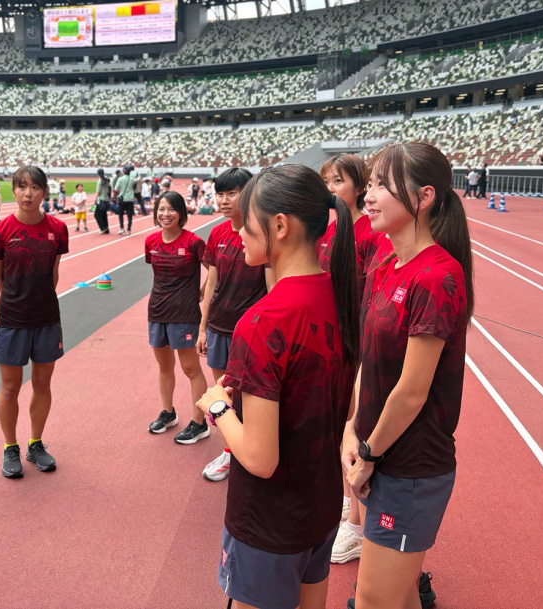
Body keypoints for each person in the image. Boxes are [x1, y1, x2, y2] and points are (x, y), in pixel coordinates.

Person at [195, 164, 359, 609]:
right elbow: (341, 408)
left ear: (280, 226)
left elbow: (261, 459)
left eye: (247, 225)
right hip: (320, 506)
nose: (240, 234)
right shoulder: (339, 294)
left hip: (270, 521)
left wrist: (217, 408)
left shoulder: (264, 320)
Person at [345, 142, 472, 609]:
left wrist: (368, 451)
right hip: (381, 454)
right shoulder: (384, 267)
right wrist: (351, 427)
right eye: (371, 183)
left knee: (373, 600)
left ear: (423, 197)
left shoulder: (438, 277)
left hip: (410, 466)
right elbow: (370, 361)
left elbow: (413, 391)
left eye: (380, 184)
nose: (369, 195)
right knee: (393, 599)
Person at [318, 153, 384, 565]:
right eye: (326, 182)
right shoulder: (329, 229)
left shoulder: (371, 233)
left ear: (360, 187)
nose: (330, 189)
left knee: (354, 427)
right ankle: (349, 504)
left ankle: (357, 527)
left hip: (358, 343)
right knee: (340, 425)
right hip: (335, 340)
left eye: (338, 181)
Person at [0, 165, 69, 478]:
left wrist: (39, 299)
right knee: (10, 387)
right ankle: (10, 447)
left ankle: (35, 443)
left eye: (35, 188)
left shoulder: (58, 229)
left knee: (42, 384)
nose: (28, 194)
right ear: (13, 191)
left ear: (45, 192)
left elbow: (54, 273)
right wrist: (18, 300)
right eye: (22, 187)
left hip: (47, 317)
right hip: (12, 319)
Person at [196, 168, 272, 482]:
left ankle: (254, 454)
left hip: (250, 332)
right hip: (218, 326)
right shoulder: (216, 234)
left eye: (232, 193)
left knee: (251, 398)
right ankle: (230, 453)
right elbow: (211, 281)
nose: (225, 201)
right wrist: (202, 328)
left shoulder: (261, 232)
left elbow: (272, 286)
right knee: (223, 396)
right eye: (221, 194)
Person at [144, 191, 211, 444]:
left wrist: (202, 292)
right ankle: (168, 412)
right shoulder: (151, 242)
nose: (165, 214)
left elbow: (214, 271)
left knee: (191, 369)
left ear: (181, 213)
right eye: (161, 209)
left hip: (184, 314)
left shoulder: (193, 242)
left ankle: (199, 422)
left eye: (171, 209)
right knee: (164, 366)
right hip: (157, 312)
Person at [114, 164, 137, 235]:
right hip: (130, 199)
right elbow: (136, 183)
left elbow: (116, 189)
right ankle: (129, 230)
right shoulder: (132, 179)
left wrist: (119, 193)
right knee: (129, 215)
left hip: (122, 199)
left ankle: (121, 228)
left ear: (123, 172)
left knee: (120, 214)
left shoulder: (120, 179)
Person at [95, 168, 112, 234]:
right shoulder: (107, 180)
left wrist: (95, 199)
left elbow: (98, 191)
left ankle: (103, 228)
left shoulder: (99, 181)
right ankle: (106, 227)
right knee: (104, 214)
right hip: (106, 199)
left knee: (97, 215)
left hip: (101, 200)